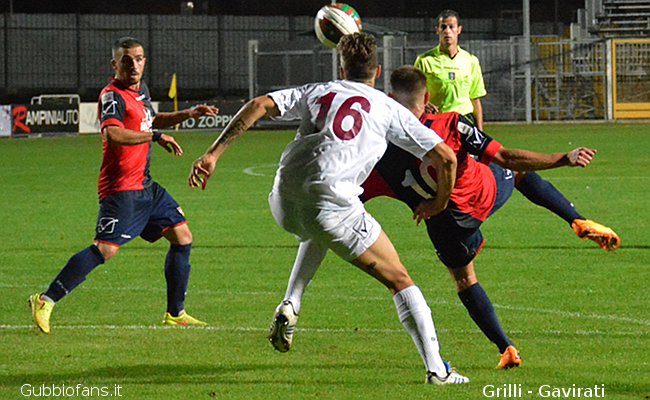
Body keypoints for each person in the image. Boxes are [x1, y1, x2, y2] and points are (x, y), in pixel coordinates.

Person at [189, 32, 469, 385]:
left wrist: (213, 154)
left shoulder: (316, 91)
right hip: (332, 206)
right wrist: (438, 202)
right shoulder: (387, 108)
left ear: (341, 67)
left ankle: (291, 302)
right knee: (400, 280)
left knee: (318, 228)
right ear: (377, 71)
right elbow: (445, 158)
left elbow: (259, 104)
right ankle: (438, 371)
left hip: (282, 200)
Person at [363, 66, 620, 368]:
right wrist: (563, 158)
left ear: (391, 99)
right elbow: (507, 157)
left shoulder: (380, 154)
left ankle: (506, 348)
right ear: (428, 97)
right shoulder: (452, 124)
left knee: (465, 279)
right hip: (484, 193)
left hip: (448, 226)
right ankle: (576, 219)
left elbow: (354, 194)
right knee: (519, 171)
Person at [28, 36, 218, 334]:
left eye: (139, 58)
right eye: (127, 60)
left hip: (145, 186)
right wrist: (155, 137)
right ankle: (45, 300)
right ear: (115, 64)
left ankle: (175, 313)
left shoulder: (140, 91)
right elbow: (114, 134)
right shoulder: (112, 96)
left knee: (182, 236)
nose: (134, 64)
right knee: (105, 249)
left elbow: (150, 121)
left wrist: (187, 114)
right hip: (121, 190)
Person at [414, 9, 486, 129]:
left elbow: (475, 99)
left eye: (451, 27)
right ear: (437, 30)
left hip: (464, 121)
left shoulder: (471, 61)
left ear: (459, 30)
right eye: (443, 27)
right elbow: (415, 94)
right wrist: (424, 104)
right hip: (437, 121)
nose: (447, 31)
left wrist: (480, 131)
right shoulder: (424, 61)